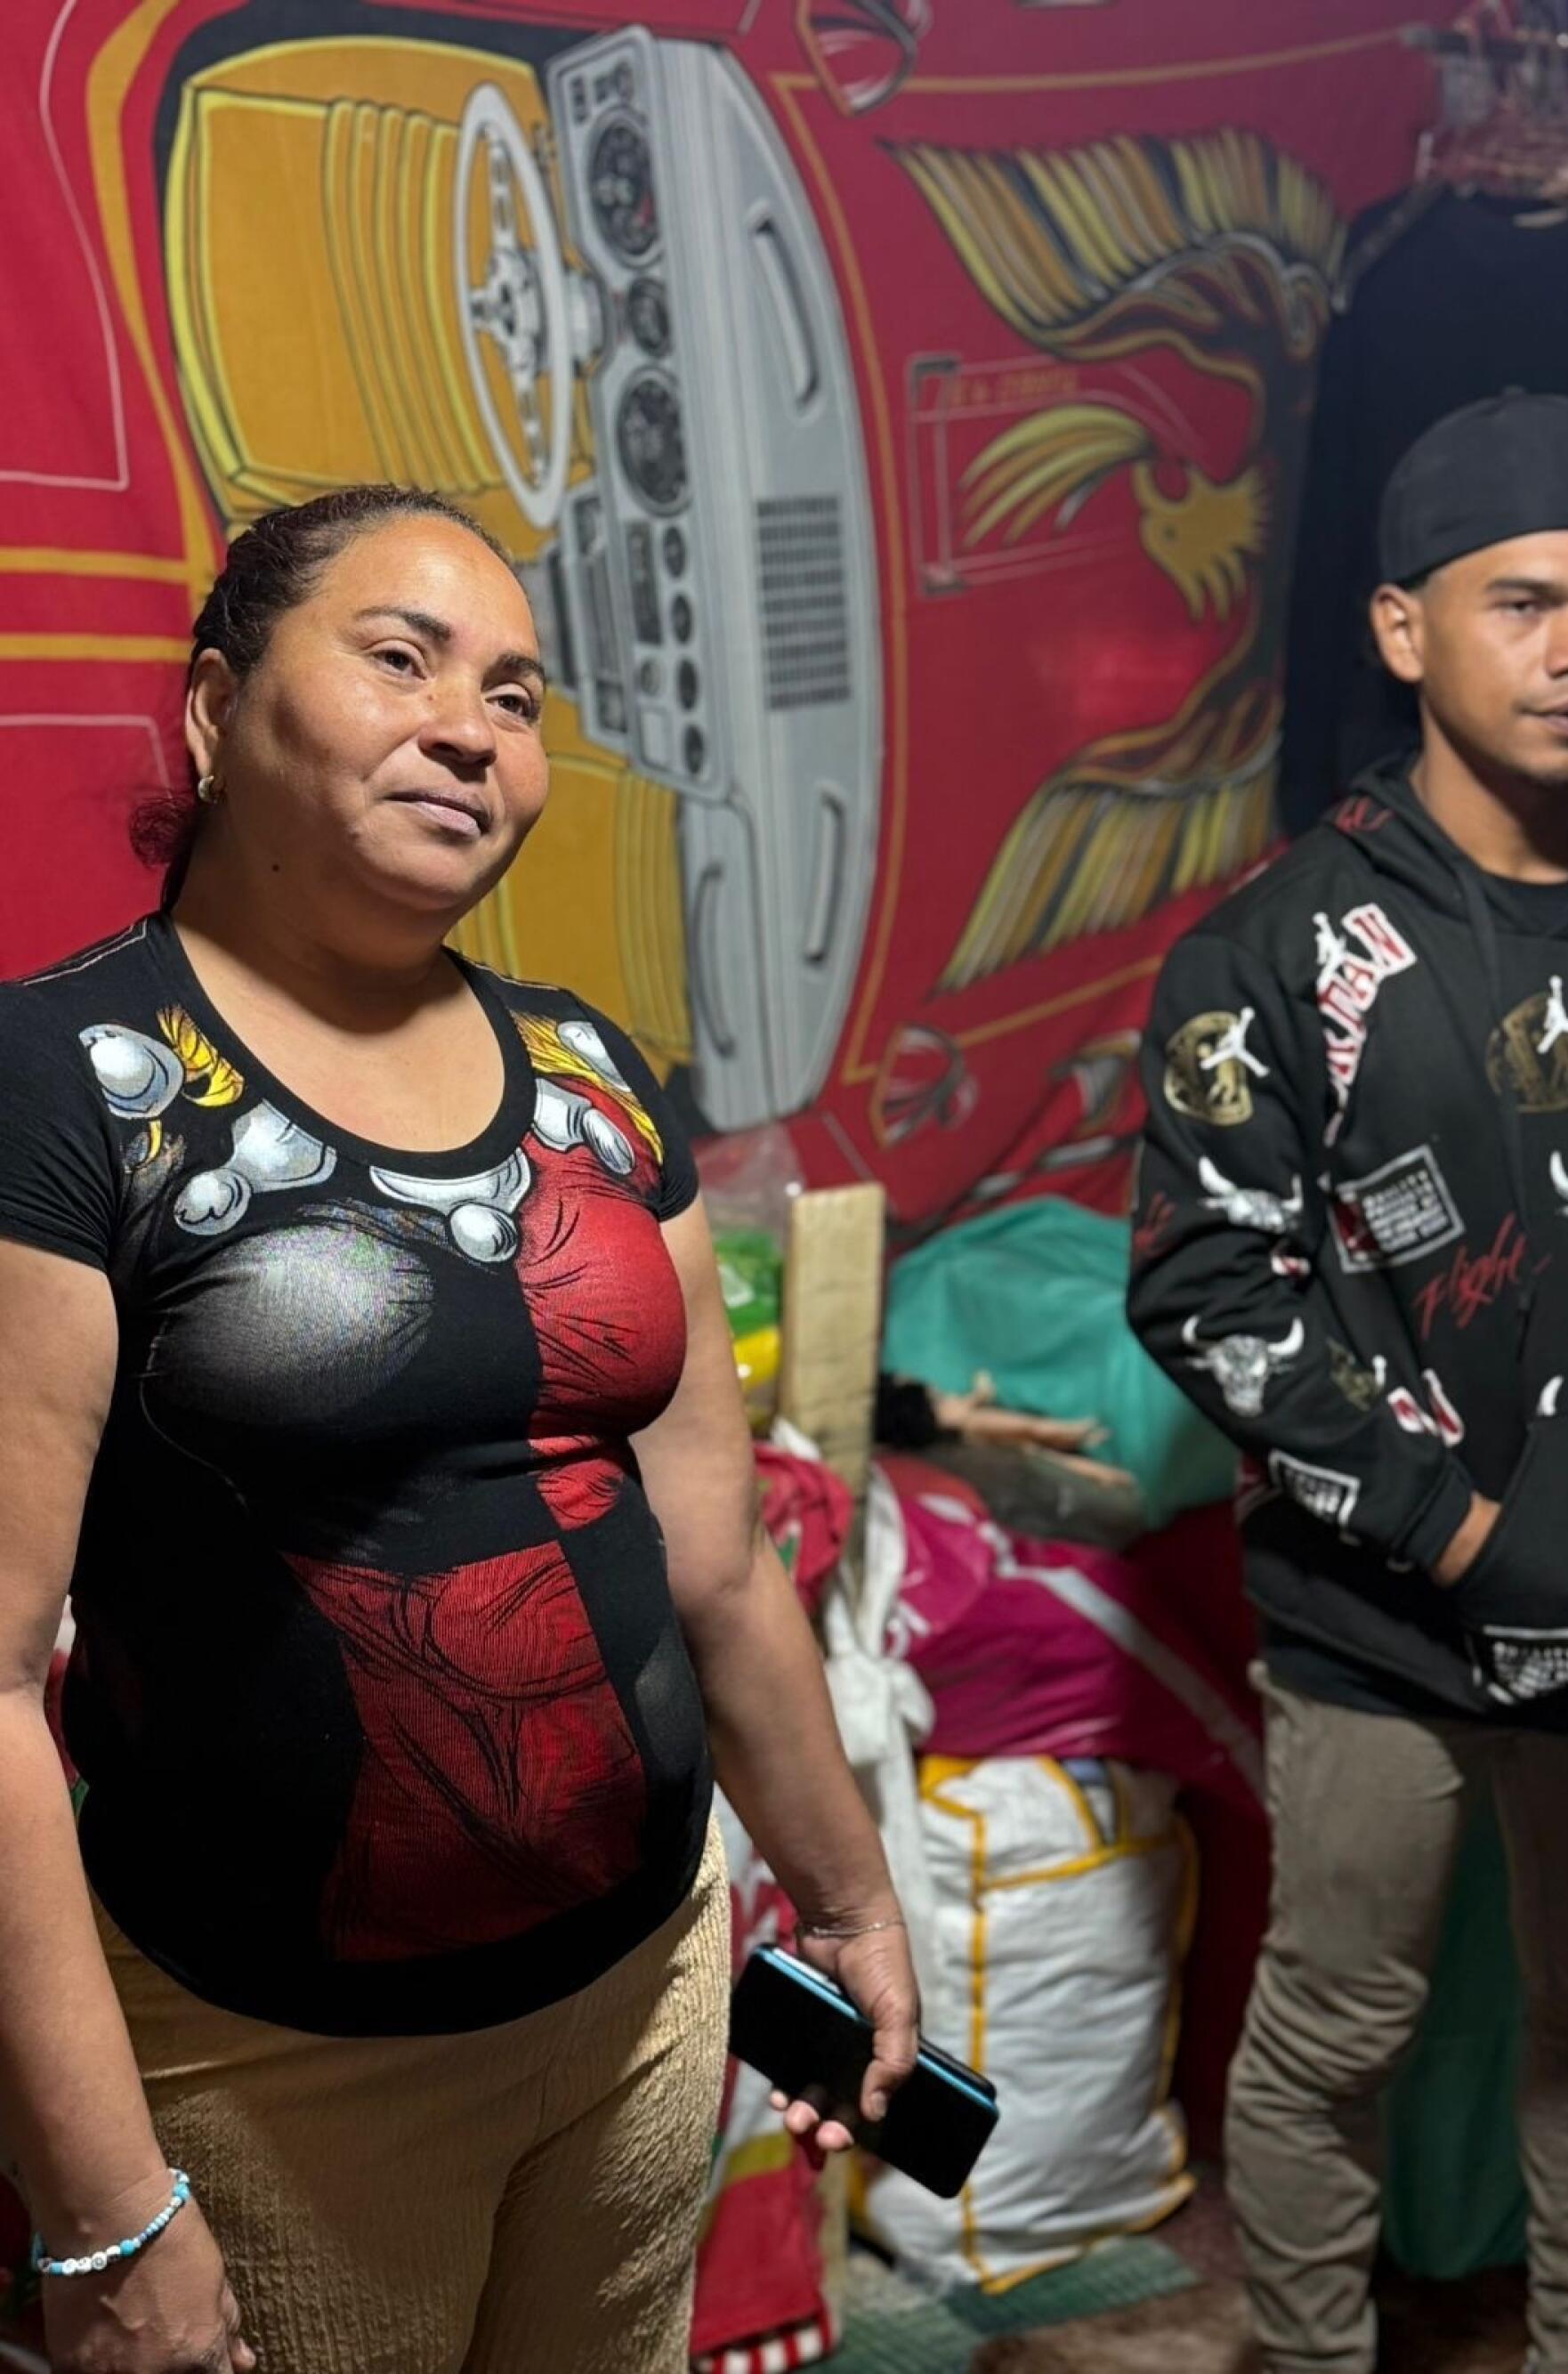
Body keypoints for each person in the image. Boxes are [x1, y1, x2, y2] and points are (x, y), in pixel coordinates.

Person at [0, 485, 917, 2374]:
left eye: (514, 694)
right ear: (211, 710)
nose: (472, 730)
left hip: (646, 1991)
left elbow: (721, 1560)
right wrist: (104, 2205)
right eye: (400, 658)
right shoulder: (66, 1083)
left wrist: (846, 1895)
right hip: (283, 2067)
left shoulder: (591, 1075)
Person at [1129, 393, 1568, 2374]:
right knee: (1333, 2031)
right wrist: (1461, 1523)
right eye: (1522, 604)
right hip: (1378, 1624)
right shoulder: (1270, 951)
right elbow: (1203, 1282)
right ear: (1406, 629)